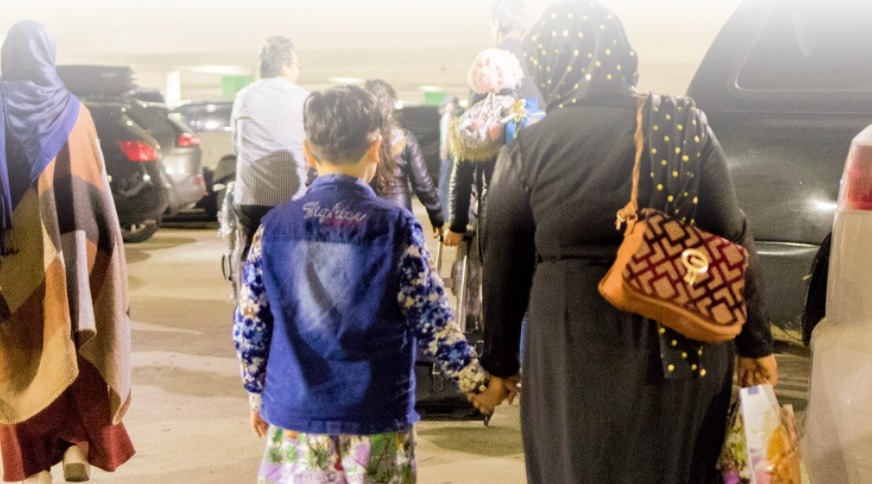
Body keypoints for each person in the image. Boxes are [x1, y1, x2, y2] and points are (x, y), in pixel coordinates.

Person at [475, 2, 778, 483]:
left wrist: (499, 363)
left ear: (547, 63)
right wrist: (755, 343)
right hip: (681, 340)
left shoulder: (529, 148)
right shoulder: (682, 125)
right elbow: (732, 237)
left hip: (571, 349)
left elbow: (502, 263)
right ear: (621, 55)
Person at [232, 85, 492, 483]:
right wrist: (474, 380)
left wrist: (256, 392)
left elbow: (250, 325)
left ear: (307, 151)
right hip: (376, 415)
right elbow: (432, 318)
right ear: (376, 148)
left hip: (296, 412)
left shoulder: (274, 228)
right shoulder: (394, 226)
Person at [0, 21, 134, 483]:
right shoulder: (76, 111)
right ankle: (75, 447)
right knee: (74, 341)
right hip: (75, 251)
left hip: (11, 257)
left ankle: (32, 464)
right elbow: (95, 190)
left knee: (18, 356)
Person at [231, 35, 309, 258]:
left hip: (250, 198)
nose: (298, 70)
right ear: (285, 68)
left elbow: (237, 146)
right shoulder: (304, 99)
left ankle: (247, 289)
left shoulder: (243, 97)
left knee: (250, 258)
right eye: (297, 65)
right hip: (291, 198)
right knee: (291, 262)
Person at [363, 79, 444, 237]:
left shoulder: (355, 140)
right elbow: (423, 185)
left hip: (364, 211)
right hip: (399, 211)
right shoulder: (404, 138)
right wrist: (437, 218)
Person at [437, 96, 461, 223]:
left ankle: (444, 215)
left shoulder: (448, 117)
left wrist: (444, 152)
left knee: (445, 184)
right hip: (451, 154)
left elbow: (446, 138)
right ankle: (446, 214)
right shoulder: (452, 117)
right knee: (448, 184)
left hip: (449, 155)